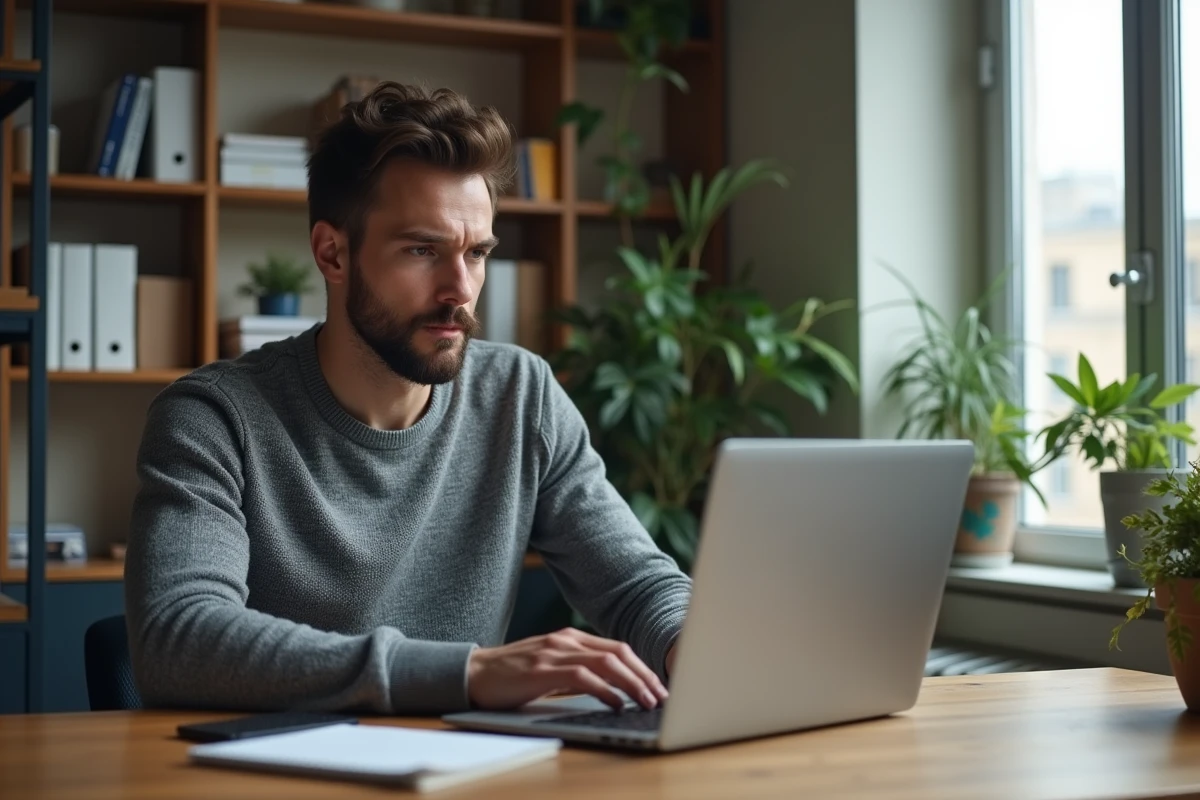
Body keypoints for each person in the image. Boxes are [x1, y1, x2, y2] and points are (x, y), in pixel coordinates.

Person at [124, 81, 693, 716]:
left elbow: (636, 585)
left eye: (476, 253)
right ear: (332, 254)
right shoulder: (213, 419)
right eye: (423, 250)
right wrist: (466, 673)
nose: (460, 289)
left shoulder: (520, 397)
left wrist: (693, 646)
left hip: (469, 773)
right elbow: (179, 637)